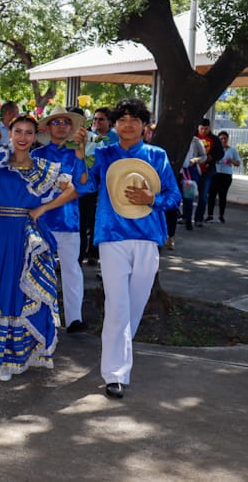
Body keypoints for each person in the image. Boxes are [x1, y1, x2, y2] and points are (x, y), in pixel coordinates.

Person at [0, 113, 76, 381]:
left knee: (17, 289)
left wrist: (43, 207)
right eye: (18, 132)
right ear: (9, 134)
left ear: (35, 137)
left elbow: (72, 190)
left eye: (28, 133)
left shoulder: (44, 167)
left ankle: (14, 354)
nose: (23, 137)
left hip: (25, 233)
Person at [73, 98, 181, 398]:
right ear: (115, 125)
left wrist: (152, 200)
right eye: (123, 119)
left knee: (134, 306)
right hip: (112, 238)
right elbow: (84, 186)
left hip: (148, 239)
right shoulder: (104, 154)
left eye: (135, 119)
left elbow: (174, 197)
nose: (129, 123)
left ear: (144, 125)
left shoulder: (157, 156)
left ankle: (118, 356)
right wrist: (80, 155)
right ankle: (116, 374)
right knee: (118, 306)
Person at [33, 106, 87, 333]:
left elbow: (84, 185)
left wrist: (82, 156)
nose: (62, 126)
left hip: (69, 221)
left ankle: (75, 318)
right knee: (37, 269)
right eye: (57, 122)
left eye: (66, 122)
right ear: (48, 127)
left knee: (71, 269)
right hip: (41, 222)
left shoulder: (78, 155)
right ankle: (39, 315)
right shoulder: (36, 156)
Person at [79, 106, 118, 264]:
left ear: (110, 122)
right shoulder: (88, 137)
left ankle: (96, 254)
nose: (96, 122)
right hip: (89, 185)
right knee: (86, 220)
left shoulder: (116, 138)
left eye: (101, 119)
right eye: (95, 119)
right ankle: (83, 254)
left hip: (108, 186)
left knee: (102, 220)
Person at [193, 118, 224, 227]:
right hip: (193, 170)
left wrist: (212, 157)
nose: (204, 131)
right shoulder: (193, 137)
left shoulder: (214, 139)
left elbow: (221, 153)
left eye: (206, 129)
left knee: (203, 197)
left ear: (209, 128)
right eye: (201, 128)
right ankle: (186, 217)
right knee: (188, 195)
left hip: (207, 171)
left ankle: (199, 218)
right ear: (198, 128)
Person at [206, 131, 241, 223]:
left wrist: (231, 161)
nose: (223, 140)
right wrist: (214, 161)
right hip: (215, 173)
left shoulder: (232, 150)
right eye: (221, 139)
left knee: (222, 195)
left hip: (226, 175)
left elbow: (238, 163)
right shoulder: (215, 149)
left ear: (228, 139)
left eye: (225, 138)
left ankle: (221, 216)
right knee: (212, 195)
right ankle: (210, 215)